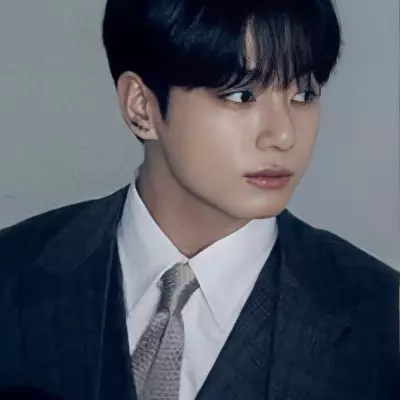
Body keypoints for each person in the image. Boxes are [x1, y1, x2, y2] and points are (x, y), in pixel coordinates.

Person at [0, 0, 398, 399]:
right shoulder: (12, 270)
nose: (284, 136)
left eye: (304, 94)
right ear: (141, 107)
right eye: (241, 95)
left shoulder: (383, 315)